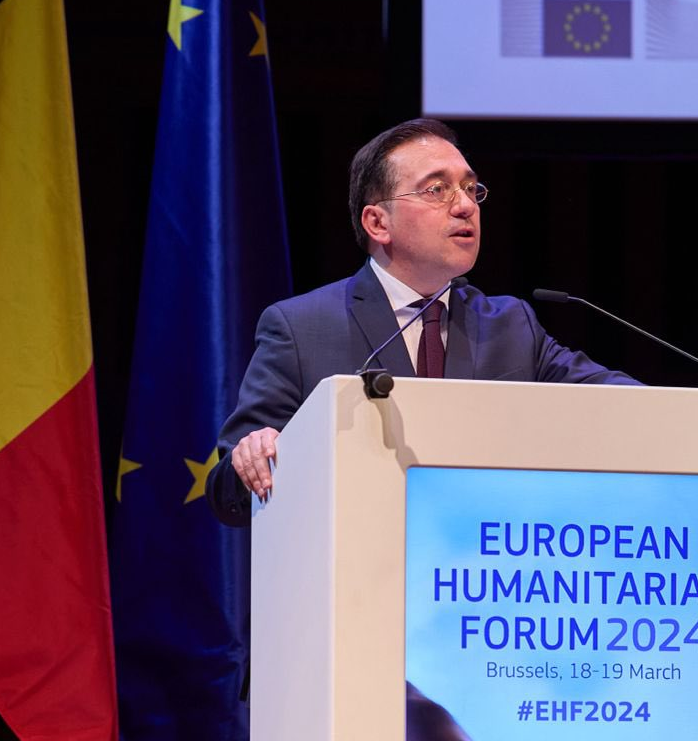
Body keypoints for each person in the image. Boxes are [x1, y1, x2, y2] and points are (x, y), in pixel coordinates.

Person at [206, 117, 637, 524]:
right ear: (378, 222)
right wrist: (252, 458)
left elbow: (623, 403)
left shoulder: (510, 325)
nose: (465, 206)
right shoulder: (302, 328)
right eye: (437, 190)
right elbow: (228, 495)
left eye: (470, 188)